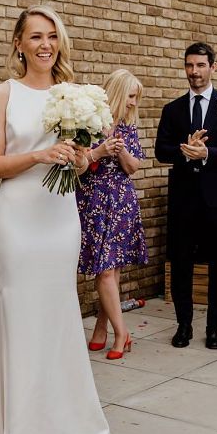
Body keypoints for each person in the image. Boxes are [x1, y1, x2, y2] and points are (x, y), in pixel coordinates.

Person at [0, 5, 117, 434]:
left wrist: (78, 159)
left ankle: (67, 427)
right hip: (17, 219)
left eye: (52, 36)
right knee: (19, 316)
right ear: (18, 43)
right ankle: (15, 431)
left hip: (59, 217)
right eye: (35, 36)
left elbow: (80, 163)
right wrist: (38, 155)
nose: (44, 45)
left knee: (57, 315)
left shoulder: (76, 95)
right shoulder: (3, 94)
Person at [154, 42, 217, 350]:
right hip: (183, 199)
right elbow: (160, 151)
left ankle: (214, 326)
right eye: (189, 66)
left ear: (212, 67)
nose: (194, 72)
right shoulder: (173, 109)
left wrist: (208, 152)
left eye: (200, 66)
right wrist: (186, 151)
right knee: (180, 262)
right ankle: (183, 325)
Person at [78, 69, 148, 360]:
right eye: (131, 96)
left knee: (109, 270)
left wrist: (118, 151)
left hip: (119, 201)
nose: (133, 103)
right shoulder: (90, 124)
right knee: (106, 269)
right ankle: (101, 328)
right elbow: (79, 162)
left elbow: (133, 167)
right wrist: (101, 149)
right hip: (92, 200)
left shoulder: (128, 129)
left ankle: (119, 333)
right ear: (118, 93)